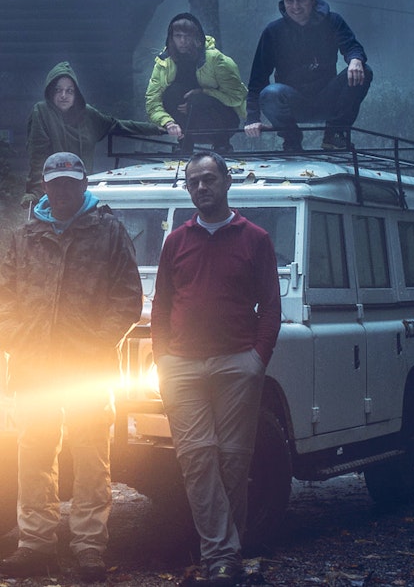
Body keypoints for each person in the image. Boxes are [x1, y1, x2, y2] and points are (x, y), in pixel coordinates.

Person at [0, 152, 144, 582]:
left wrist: (96, 347)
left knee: (91, 456)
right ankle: (35, 544)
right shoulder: (25, 234)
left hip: (87, 367)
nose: (62, 190)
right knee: (34, 454)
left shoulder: (108, 230)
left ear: (83, 184)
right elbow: (4, 295)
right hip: (34, 365)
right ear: (45, 186)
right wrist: (14, 340)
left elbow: (127, 299)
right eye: (55, 183)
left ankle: (89, 547)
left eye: (70, 182)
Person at [151, 151, 281, 586]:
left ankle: (226, 553)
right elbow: (161, 307)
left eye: (209, 179)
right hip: (182, 365)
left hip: (236, 362)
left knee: (232, 460)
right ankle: (222, 557)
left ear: (227, 181)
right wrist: (163, 360)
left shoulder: (255, 239)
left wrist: (256, 359)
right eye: (193, 182)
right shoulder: (176, 241)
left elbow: (271, 307)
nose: (201, 188)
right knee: (196, 457)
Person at [243, 0, 372, 151]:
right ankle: (291, 140)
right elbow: (258, 79)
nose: (295, 6)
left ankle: (335, 134)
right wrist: (252, 119)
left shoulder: (333, 21)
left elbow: (352, 47)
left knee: (364, 70)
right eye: (289, 1)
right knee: (270, 93)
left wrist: (355, 60)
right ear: (283, 2)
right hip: (293, 101)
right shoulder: (273, 31)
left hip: (327, 98)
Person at [26, 61, 171, 203]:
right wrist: (35, 192)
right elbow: (38, 156)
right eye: (58, 90)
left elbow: (116, 125)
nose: (64, 95)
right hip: (53, 192)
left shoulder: (87, 114)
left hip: (82, 190)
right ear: (50, 91)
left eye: (69, 90)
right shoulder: (42, 112)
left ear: (76, 94)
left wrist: (154, 129)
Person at [145, 14, 248, 155]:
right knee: (173, 92)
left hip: (221, 121)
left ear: (196, 37)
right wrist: (167, 122)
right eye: (178, 36)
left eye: (187, 36)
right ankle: (184, 143)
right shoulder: (164, 63)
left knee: (197, 99)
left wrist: (203, 93)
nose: (183, 41)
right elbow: (152, 102)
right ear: (171, 37)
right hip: (185, 125)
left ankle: (222, 144)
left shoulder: (217, 60)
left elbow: (237, 97)